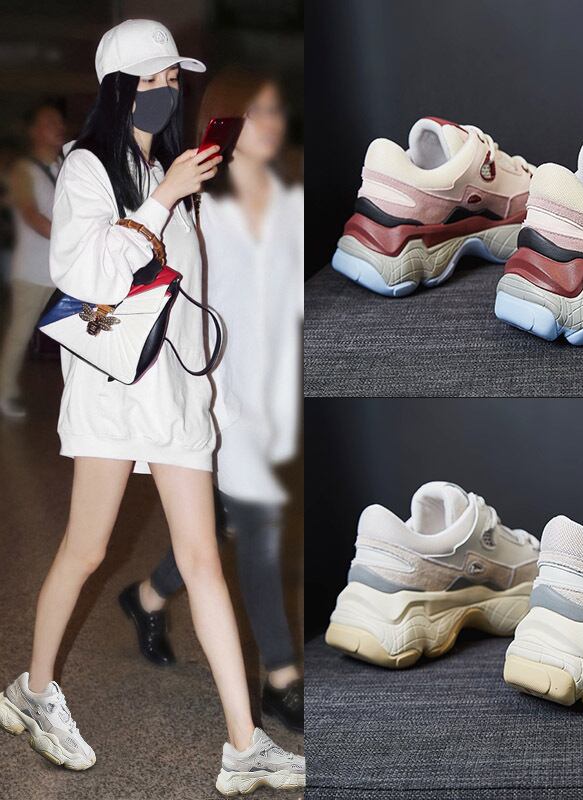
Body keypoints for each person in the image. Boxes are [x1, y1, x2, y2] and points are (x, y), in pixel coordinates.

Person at [0, 20, 303, 796]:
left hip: (174, 396)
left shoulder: (169, 169)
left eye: (176, 79)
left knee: (202, 560)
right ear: (119, 90)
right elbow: (87, 273)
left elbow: (193, 297)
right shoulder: (86, 168)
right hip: (113, 389)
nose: (170, 91)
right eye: (156, 79)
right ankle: (33, 691)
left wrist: (214, 394)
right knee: (86, 549)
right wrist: (162, 202)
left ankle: (245, 745)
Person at [119, 67, 304, 733]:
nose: (273, 123)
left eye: (277, 111)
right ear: (225, 123)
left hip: (268, 394)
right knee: (257, 527)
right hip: (216, 391)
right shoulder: (197, 207)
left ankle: (146, 597)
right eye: (257, 112)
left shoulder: (288, 201)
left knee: (223, 519)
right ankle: (281, 677)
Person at [0, 101, 65, 418]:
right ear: (34, 131)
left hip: (66, 268)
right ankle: (4, 392)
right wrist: (73, 241)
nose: (59, 127)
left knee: (82, 331)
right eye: (50, 122)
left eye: (59, 121)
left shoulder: (67, 166)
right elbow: (31, 215)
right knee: (20, 334)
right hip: (33, 270)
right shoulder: (23, 170)